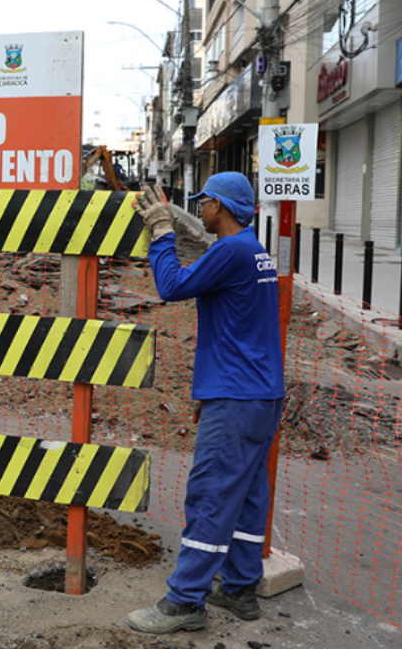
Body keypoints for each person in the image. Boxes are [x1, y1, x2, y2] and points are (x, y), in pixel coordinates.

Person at [126, 172, 285, 634]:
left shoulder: (231, 250)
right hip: (258, 394)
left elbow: (172, 286)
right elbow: (244, 329)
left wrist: (161, 231)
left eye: (204, 203)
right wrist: (208, 393)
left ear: (220, 205)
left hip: (237, 395)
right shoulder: (256, 252)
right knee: (249, 494)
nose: (200, 210)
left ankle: (184, 601)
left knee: (211, 495)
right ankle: (239, 588)